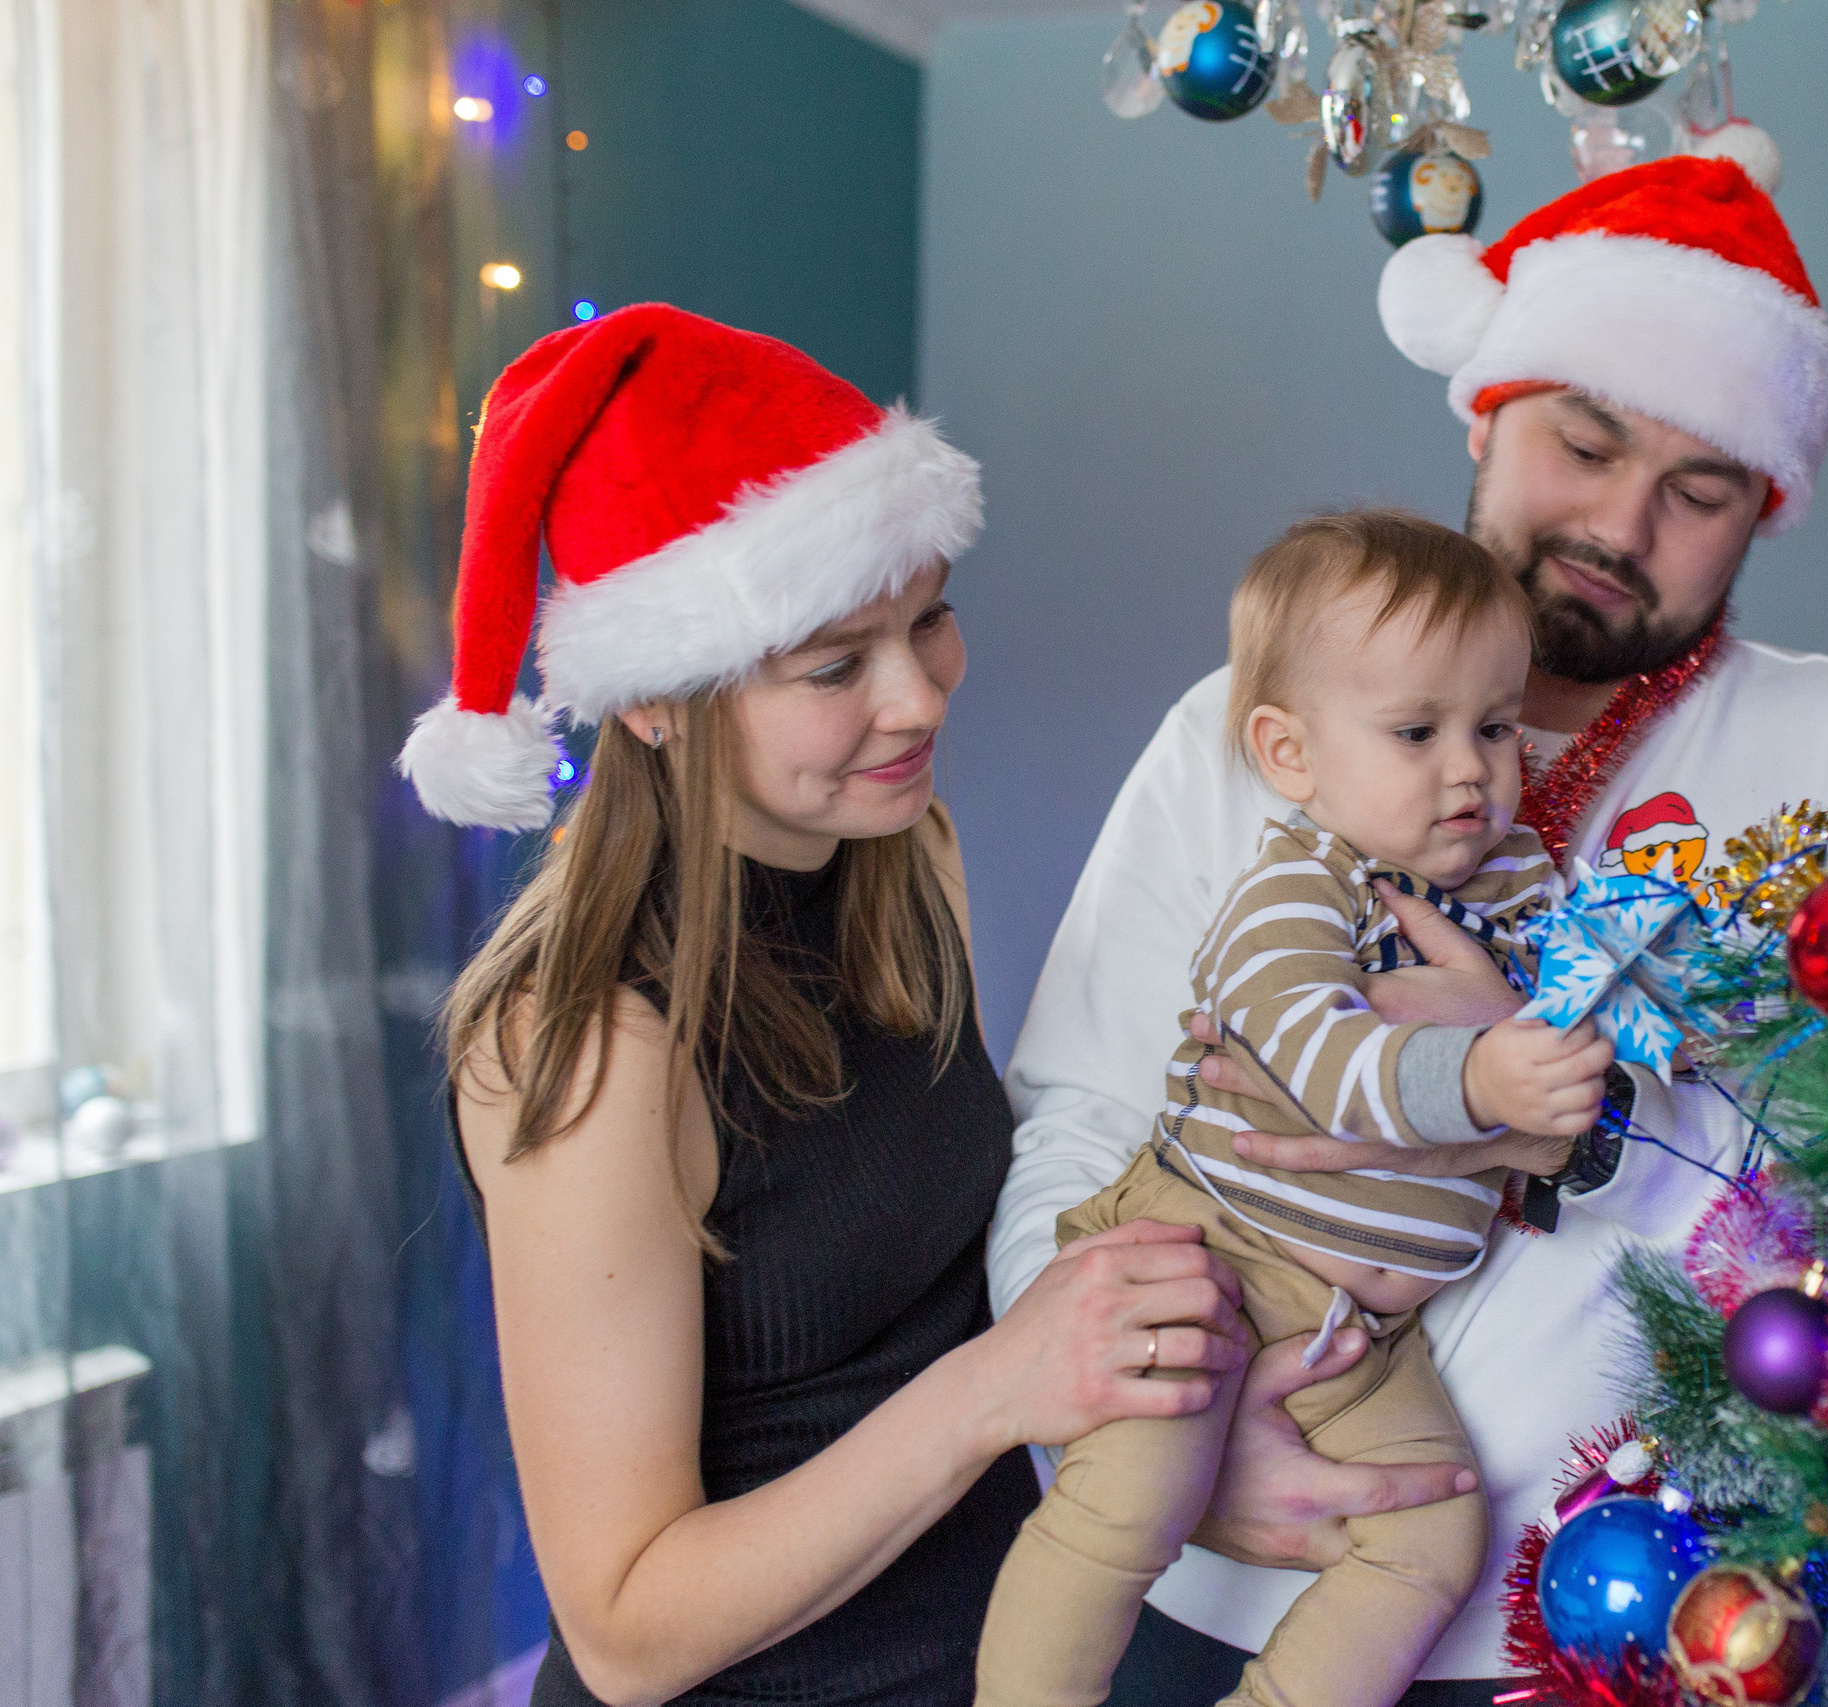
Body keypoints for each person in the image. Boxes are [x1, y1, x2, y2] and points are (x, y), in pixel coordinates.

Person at [993, 156, 1828, 1702]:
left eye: (1700, 491)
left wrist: (1539, 1086)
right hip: (1203, 1580)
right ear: (1485, 407)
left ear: (1762, 509)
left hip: (1635, 1625)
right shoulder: (1244, 730)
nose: (1622, 520)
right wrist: (1139, 1421)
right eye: (1585, 439)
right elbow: (1082, 1113)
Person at [402, 304, 1248, 1707]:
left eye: (931, 620)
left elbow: (939, 1259)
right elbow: (623, 1626)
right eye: (835, 665)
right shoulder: (591, 1041)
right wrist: (997, 1389)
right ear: (658, 702)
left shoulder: (905, 862)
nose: (918, 697)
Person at [976, 511, 1616, 1707]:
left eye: (1493, 726)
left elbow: (1595, 1039)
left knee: (1433, 1538)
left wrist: (1577, 1061)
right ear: (1290, 753)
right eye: (1416, 733)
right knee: (1127, 1499)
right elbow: (1317, 1056)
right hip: (1212, 1259)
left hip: (1359, 1338)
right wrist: (1483, 1078)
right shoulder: (1297, 885)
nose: (1470, 768)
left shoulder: (1525, 877)